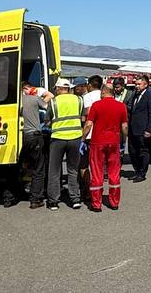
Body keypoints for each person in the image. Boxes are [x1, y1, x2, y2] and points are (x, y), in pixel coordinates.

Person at [4, 82, 51, 208]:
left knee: (13, 168)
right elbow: (48, 107)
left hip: (16, 137)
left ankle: (9, 198)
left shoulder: (11, 102)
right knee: (38, 168)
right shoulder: (34, 99)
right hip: (34, 137)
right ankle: (35, 199)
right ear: (25, 89)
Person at [82, 81, 128, 211]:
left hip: (97, 142)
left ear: (103, 92)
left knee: (97, 172)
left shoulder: (96, 105)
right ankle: (114, 202)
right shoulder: (121, 106)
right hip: (114, 142)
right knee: (114, 172)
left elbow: (89, 124)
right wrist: (123, 140)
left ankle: (96, 204)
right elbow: (124, 127)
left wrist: (83, 138)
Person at [46, 79, 84, 211]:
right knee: (73, 169)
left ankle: (53, 201)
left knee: (54, 170)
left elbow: (47, 120)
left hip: (58, 139)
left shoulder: (53, 101)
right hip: (75, 138)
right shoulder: (79, 100)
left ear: (58, 88)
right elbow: (82, 116)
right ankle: (75, 199)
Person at [127, 74, 151, 182]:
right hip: (132, 128)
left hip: (143, 129)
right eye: (136, 84)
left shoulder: (150, 96)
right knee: (133, 151)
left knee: (143, 152)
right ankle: (137, 171)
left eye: (138, 84)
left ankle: (142, 173)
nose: (136, 86)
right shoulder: (135, 95)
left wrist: (149, 129)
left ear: (145, 84)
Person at [78, 75, 104, 189]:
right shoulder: (105, 96)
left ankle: (87, 188)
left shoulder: (87, 97)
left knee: (84, 164)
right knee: (98, 164)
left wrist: (82, 136)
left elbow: (86, 117)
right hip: (103, 134)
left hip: (90, 134)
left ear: (89, 85)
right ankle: (98, 186)